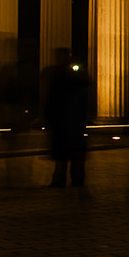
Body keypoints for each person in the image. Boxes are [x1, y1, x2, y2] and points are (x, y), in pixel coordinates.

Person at [42, 47, 90, 187]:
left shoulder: (62, 74)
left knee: (66, 151)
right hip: (68, 118)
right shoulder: (73, 74)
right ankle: (71, 179)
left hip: (67, 118)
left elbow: (51, 97)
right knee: (70, 151)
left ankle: (65, 179)